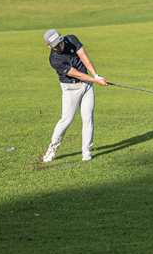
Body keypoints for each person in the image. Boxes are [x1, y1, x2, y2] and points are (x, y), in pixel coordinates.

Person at [42, 29, 109, 162]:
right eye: (55, 45)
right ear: (49, 46)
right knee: (66, 120)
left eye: (60, 42)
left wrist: (96, 75)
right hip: (70, 89)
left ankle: (86, 151)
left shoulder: (71, 40)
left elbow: (84, 58)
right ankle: (52, 149)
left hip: (87, 86)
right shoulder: (54, 60)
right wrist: (96, 81)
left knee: (88, 118)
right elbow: (76, 74)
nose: (60, 46)